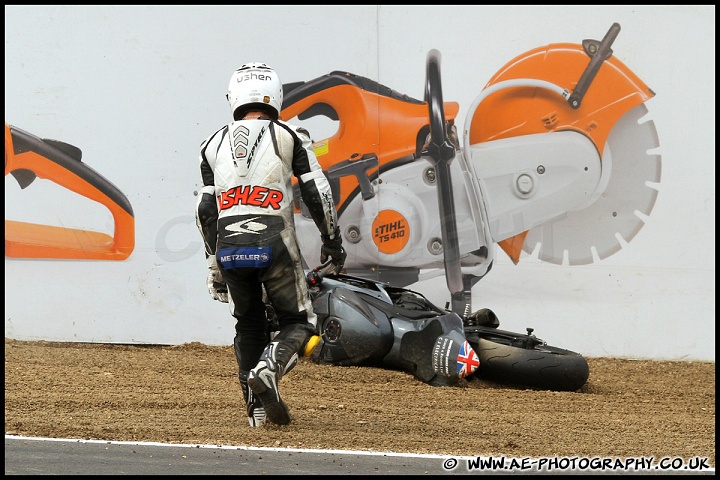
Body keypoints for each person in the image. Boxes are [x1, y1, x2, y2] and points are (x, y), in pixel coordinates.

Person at [195, 62, 346, 427]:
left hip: (229, 244)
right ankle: (268, 369)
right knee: (301, 322)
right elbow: (316, 189)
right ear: (275, 96)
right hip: (274, 239)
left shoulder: (210, 144)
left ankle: (257, 411)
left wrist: (215, 266)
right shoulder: (290, 134)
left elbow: (204, 210)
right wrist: (332, 241)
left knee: (248, 326)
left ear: (234, 98)